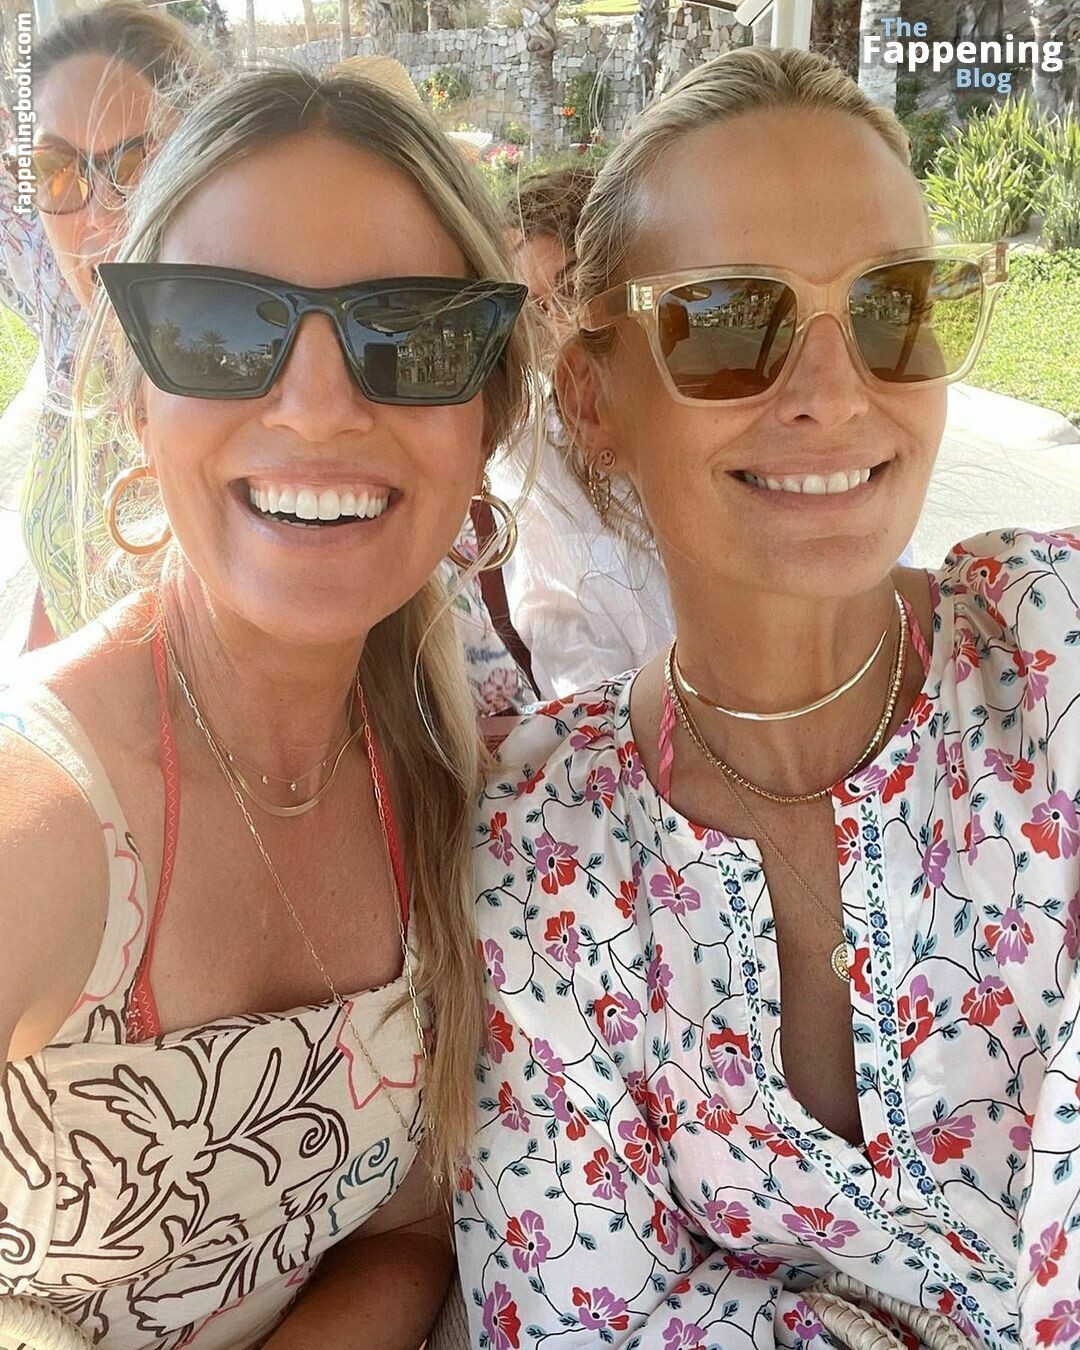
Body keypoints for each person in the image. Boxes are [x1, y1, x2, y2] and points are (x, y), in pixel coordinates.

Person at [457, 48, 1079, 1348]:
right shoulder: (548, 845)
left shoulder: (1054, 652)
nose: (835, 395)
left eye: (896, 304)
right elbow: (585, 1322)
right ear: (593, 395)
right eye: (731, 320)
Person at [0, 65, 536, 1348]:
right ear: (137, 399)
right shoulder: (44, 818)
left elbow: (407, 1229)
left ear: (484, 421)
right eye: (217, 326)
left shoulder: (451, 777)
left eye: (410, 334)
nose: (316, 408)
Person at [0, 0, 212, 648]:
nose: (97, 216)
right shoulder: (73, 319)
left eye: (138, 163)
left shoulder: (256, 365)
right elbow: (63, 561)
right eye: (56, 170)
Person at [494, 166, 674, 698]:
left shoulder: (703, 394)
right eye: (534, 310)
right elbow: (563, 637)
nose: (559, 322)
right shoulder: (533, 448)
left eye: (572, 288)